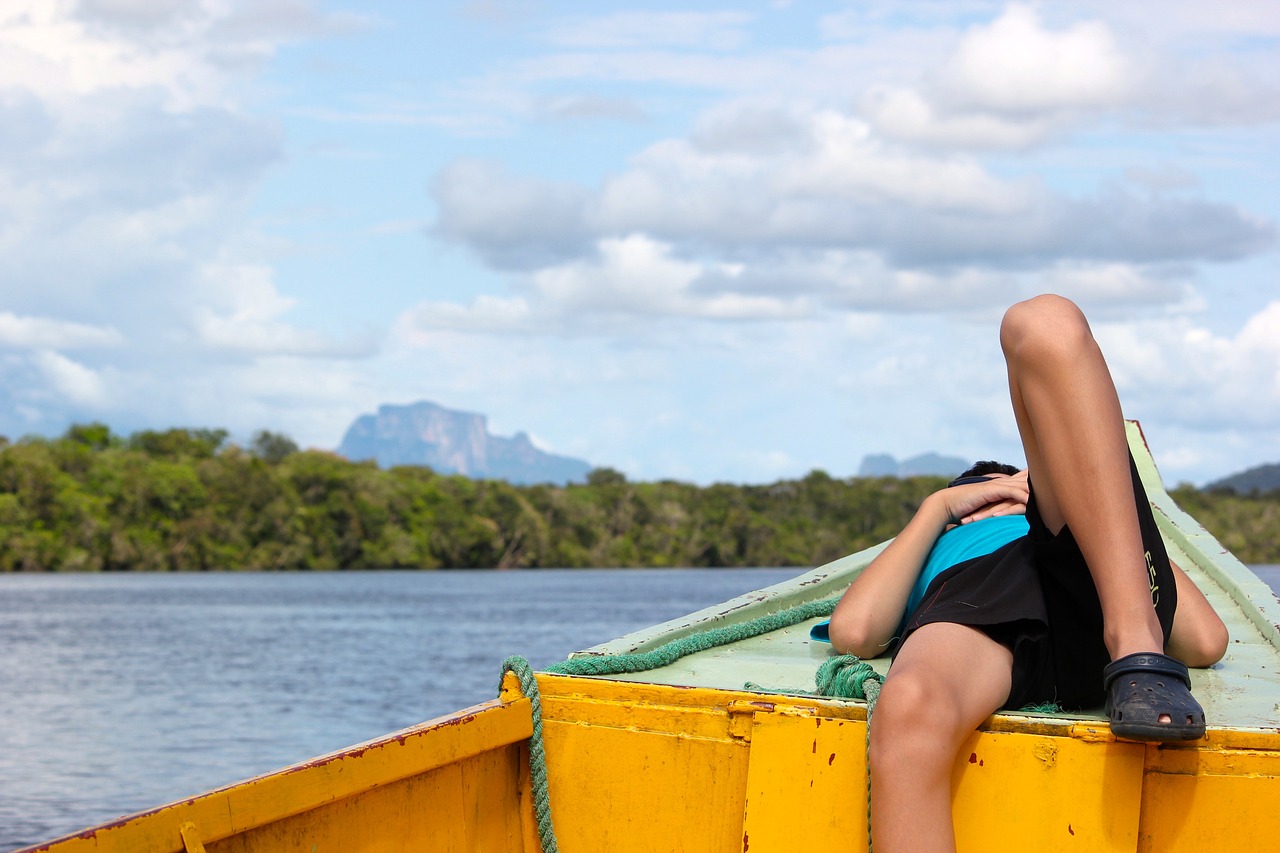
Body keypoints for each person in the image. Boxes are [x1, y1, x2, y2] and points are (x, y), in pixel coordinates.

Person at [824, 294, 1228, 853]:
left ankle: (1134, 645)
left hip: (1097, 589)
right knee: (908, 706)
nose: (1008, 494)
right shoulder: (949, 535)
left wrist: (1093, 506)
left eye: (1019, 484)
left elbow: (1205, 640)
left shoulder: (1061, 516)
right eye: (992, 493)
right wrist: (942, 507)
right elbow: (855, 631)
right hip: (977, 613)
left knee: (1038, 321)